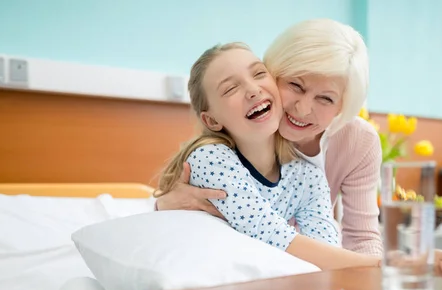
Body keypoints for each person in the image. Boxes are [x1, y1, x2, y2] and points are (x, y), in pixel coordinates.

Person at [155, 19, 442, 279]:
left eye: (326, 99)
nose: (303, 108)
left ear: (342, 107)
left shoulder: (311, 171)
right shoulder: (215, 156)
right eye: (295, 85)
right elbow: (271, 235)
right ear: (277, 73)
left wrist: (388, 269)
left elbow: (351, 239)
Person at [155, 42, 381, 270]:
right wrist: (382, 266)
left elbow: (326, 251)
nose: (253, 90)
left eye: (259, 73)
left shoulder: (306, 177)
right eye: (230, 88)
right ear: (212, 120)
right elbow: (272, 235)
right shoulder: (210, 160)